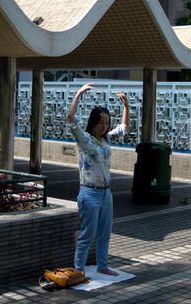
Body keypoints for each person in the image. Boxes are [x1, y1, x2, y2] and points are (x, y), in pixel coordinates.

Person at [67, 83, 129, 277]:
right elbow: (70, 119)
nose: (104, 126)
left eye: (106, 123)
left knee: (104, 233)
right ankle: (79, 271)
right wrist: (78, 94)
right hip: (89, 193)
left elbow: (124, 127)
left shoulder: (106, 139)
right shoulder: (84, 139)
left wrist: (126, 106)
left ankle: (102, 265)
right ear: (93, 122)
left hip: (106, 193)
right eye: (101, 123)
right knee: (88, 234)